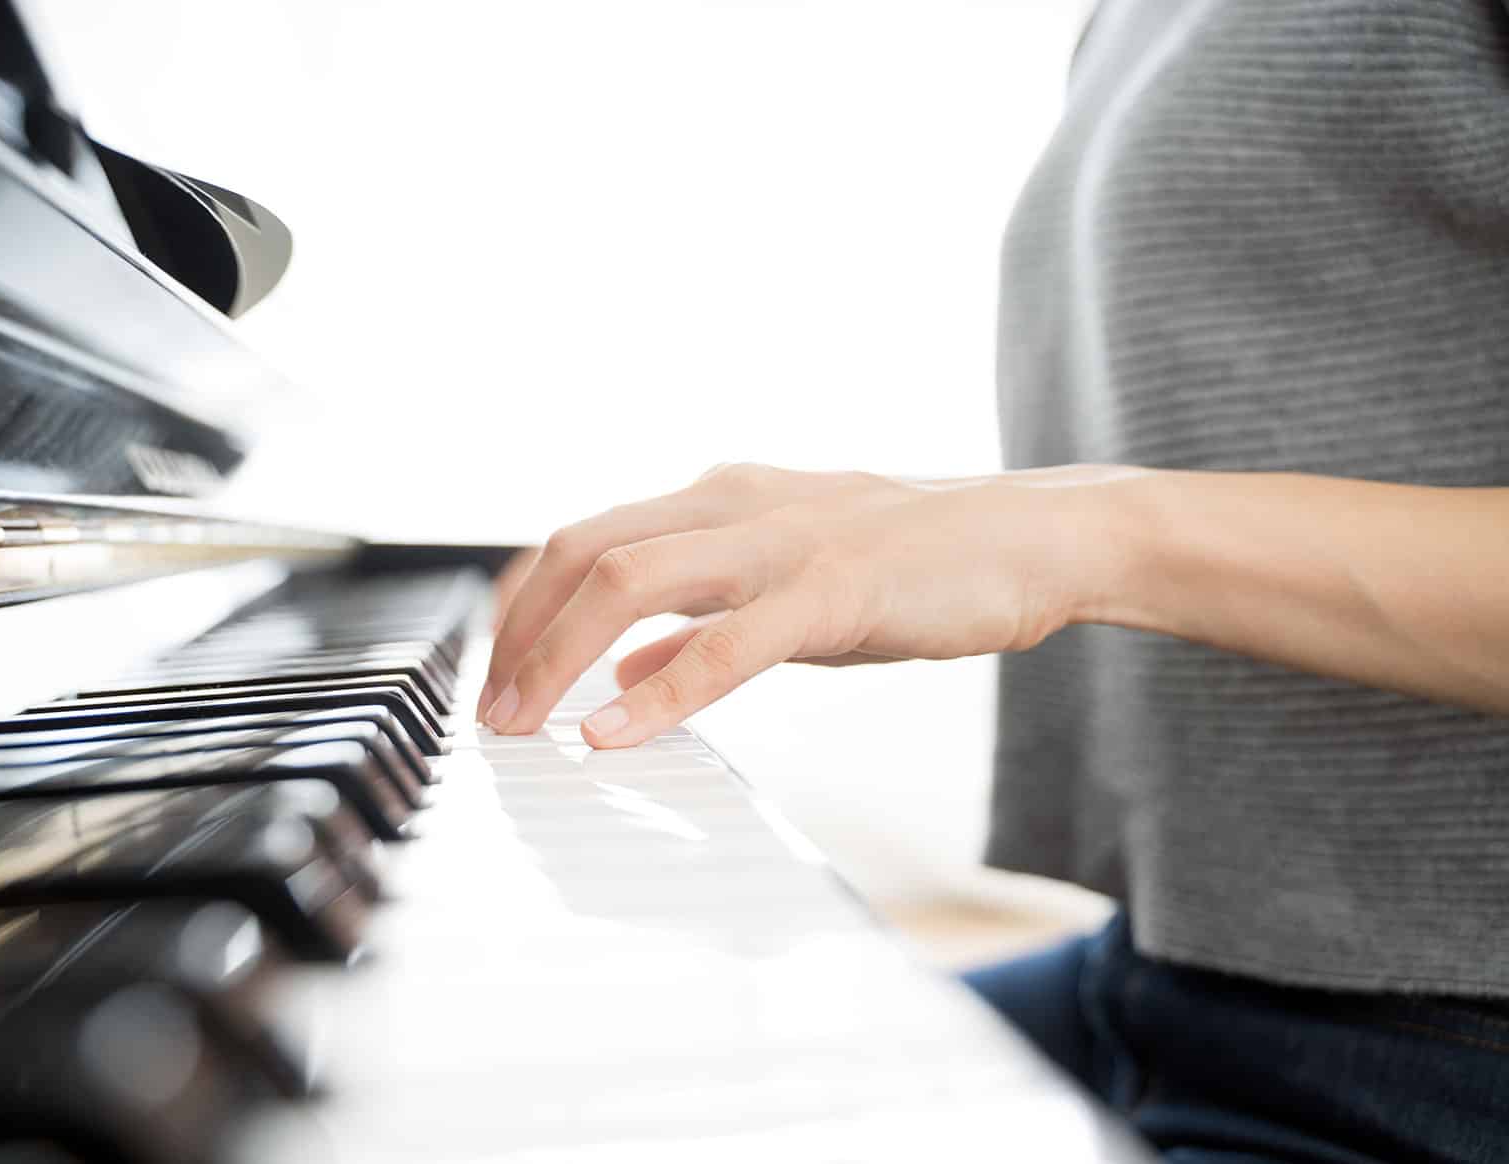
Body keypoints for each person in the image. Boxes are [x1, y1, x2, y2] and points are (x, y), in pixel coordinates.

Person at [477, 1, 1509, 1160]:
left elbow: (1100, 527)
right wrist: (888, 531)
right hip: (1168, 976)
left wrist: (1080, 538)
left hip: (1447, 1057)